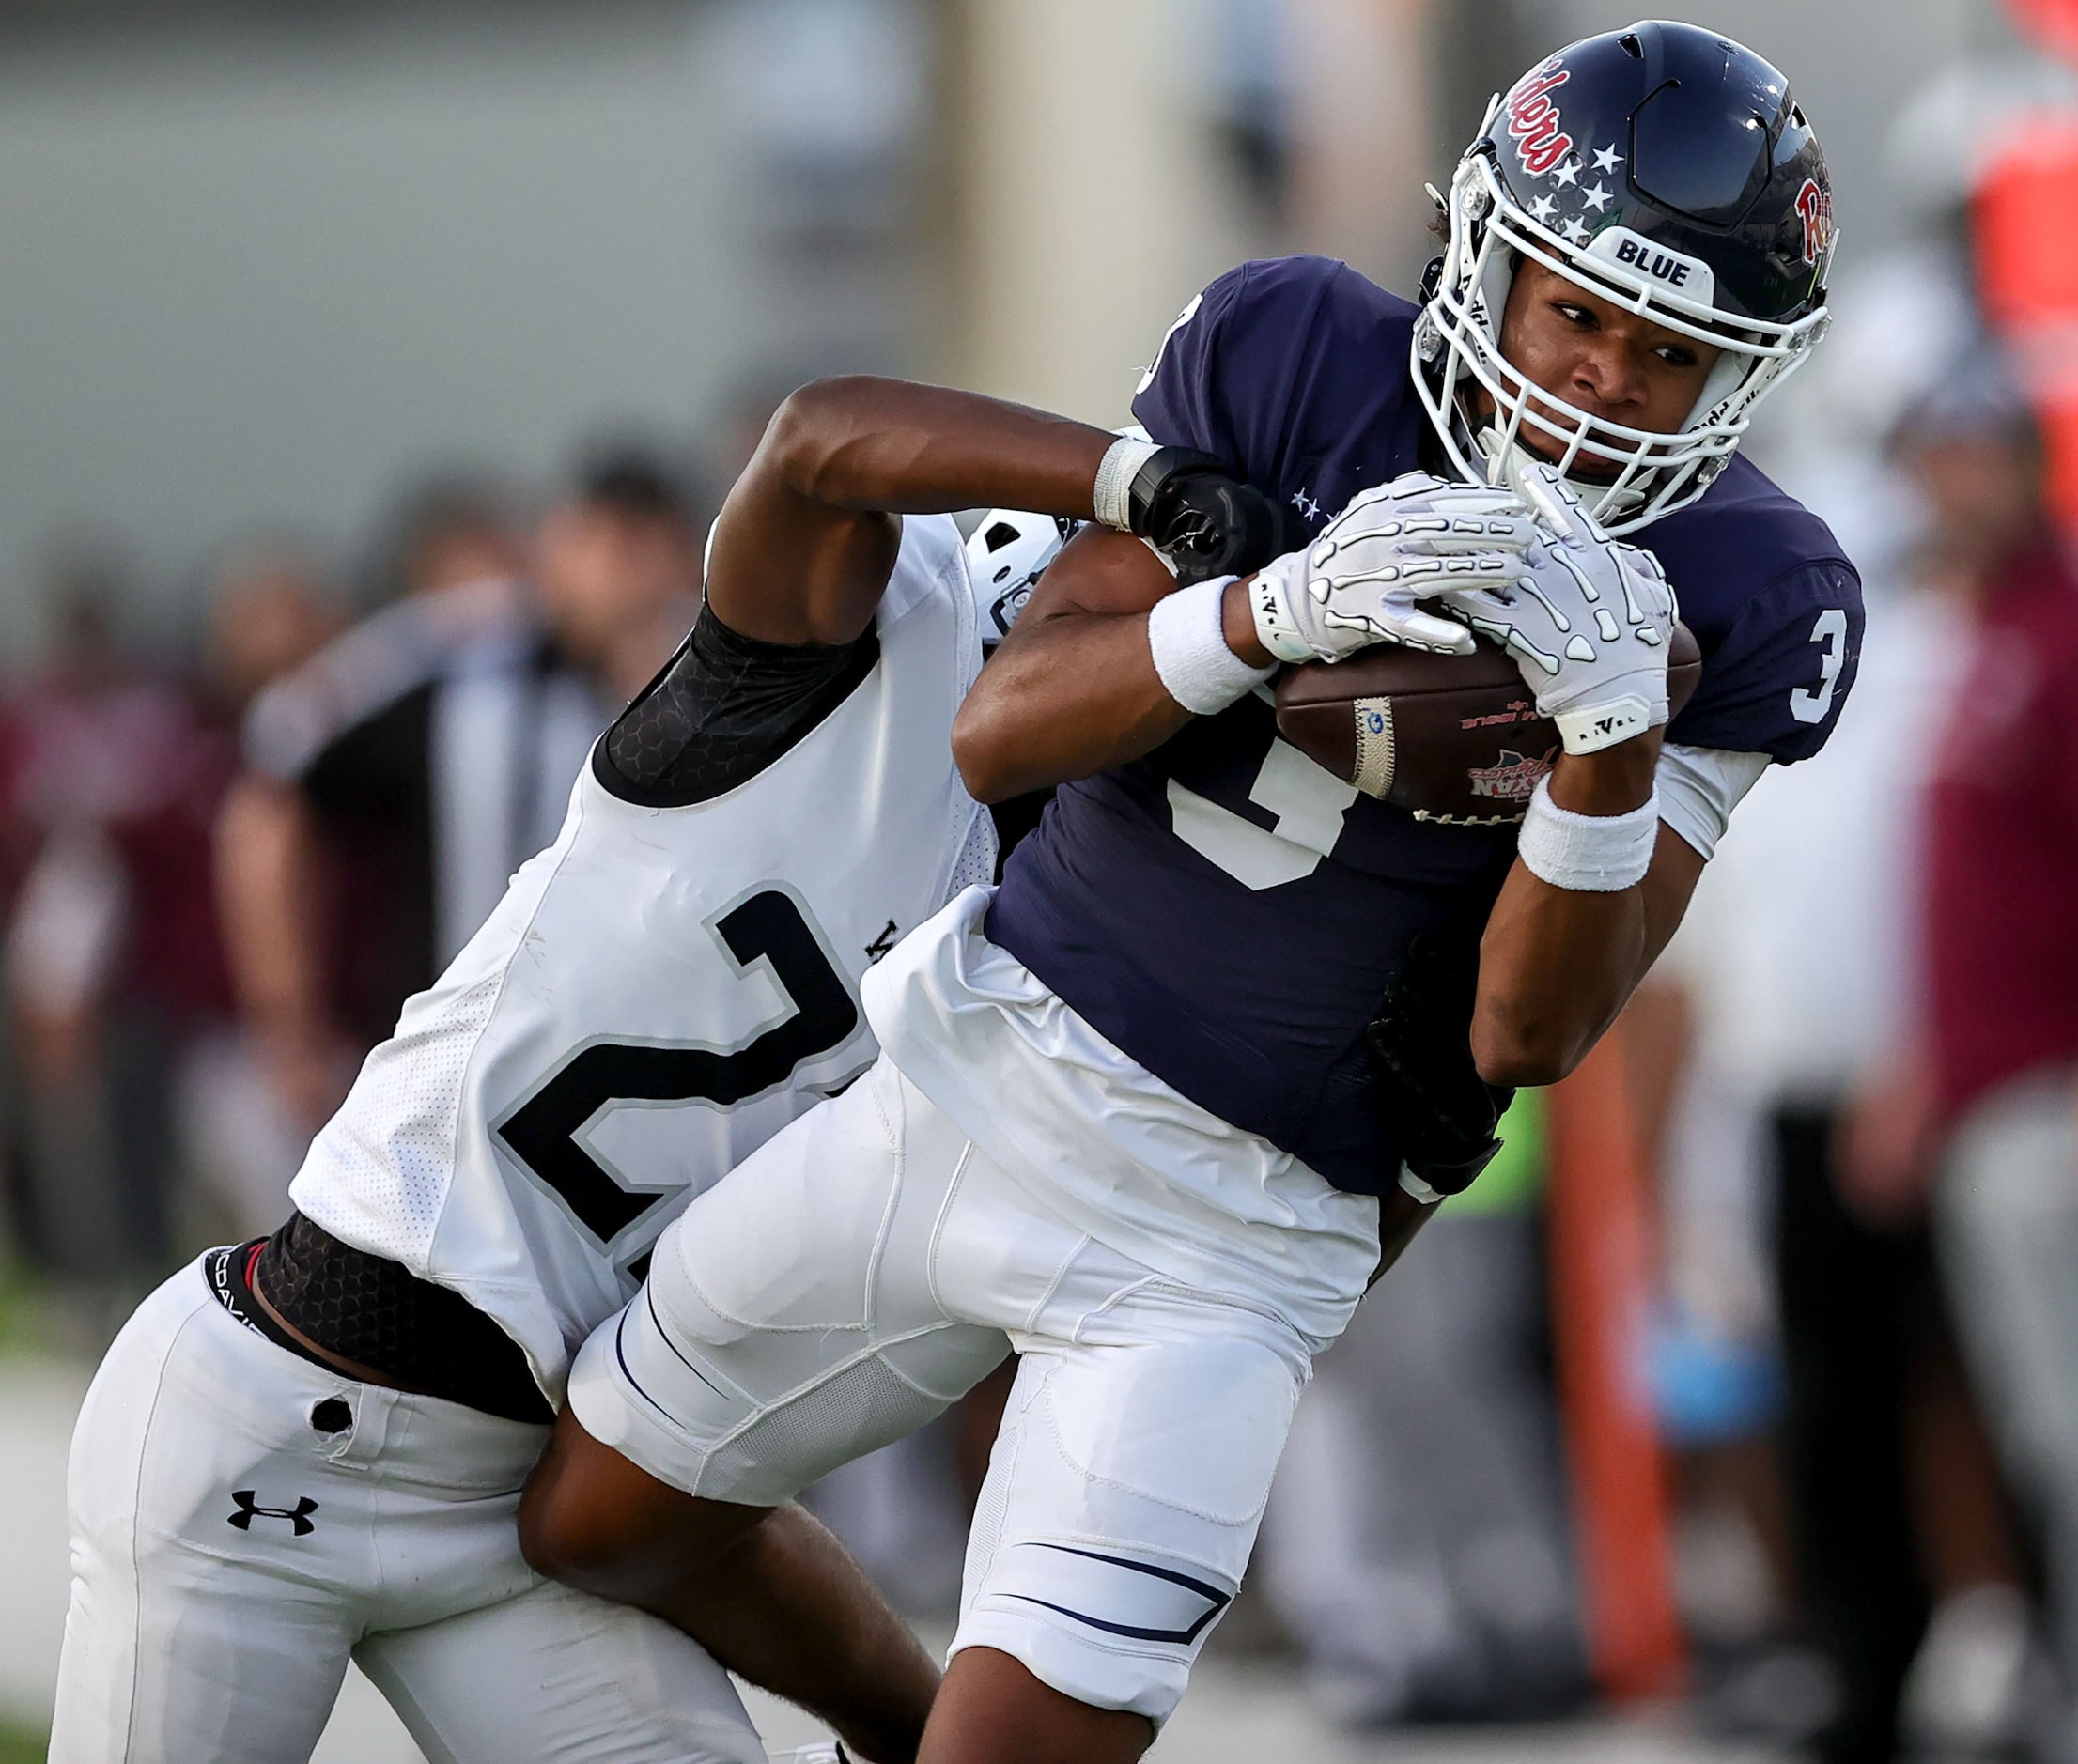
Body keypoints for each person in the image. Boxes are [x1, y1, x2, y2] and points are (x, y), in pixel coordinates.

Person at [520, 21, 1864, 1764]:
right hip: (977, 1068)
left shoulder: (1758, 589)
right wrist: (1273, 612)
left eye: (1667, 348)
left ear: (1742, 375)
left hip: (1237, 1236)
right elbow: (1000, 733)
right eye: (1573, 309)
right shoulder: (1302, 349)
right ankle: (885, 1722)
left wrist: (1607, 738)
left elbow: (1530, 1027)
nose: (1602, 375)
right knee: (588, 1519)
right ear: (1486, 257)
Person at [50, 379, 1282, 1763]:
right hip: (264, 1425)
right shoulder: (820, 659)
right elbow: (820, 440)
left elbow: (706, 1493)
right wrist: (1138, 477)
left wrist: (918, 1732)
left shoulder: (1045, 913)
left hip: (523, 1503)